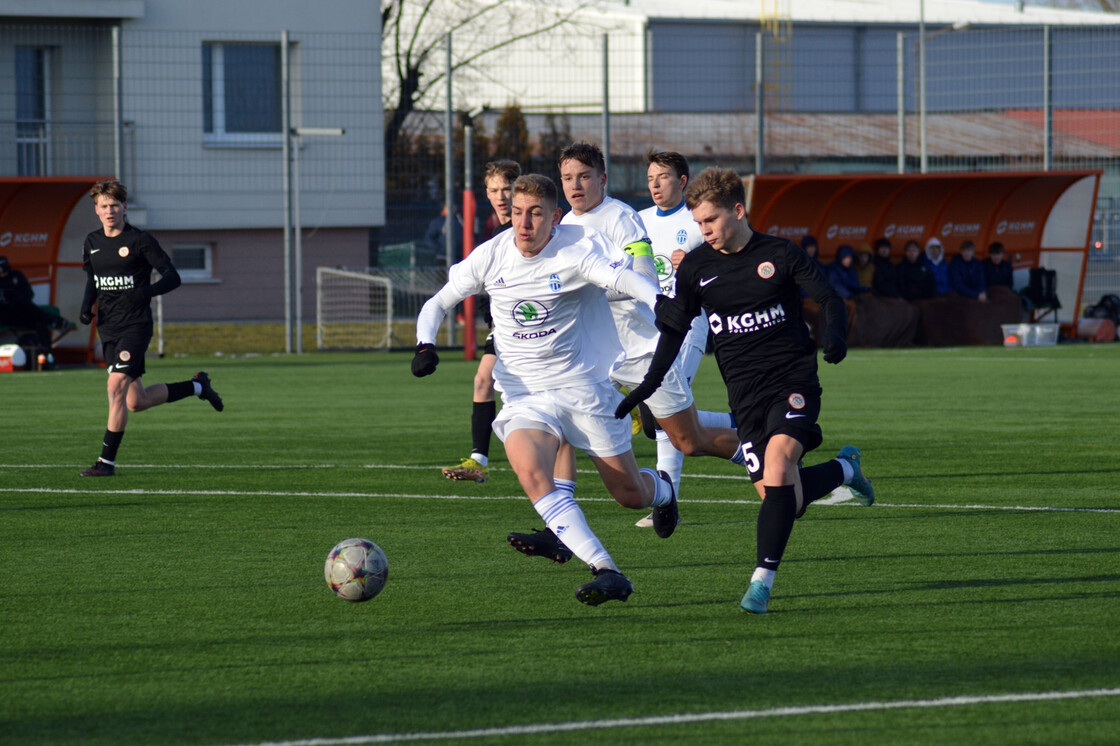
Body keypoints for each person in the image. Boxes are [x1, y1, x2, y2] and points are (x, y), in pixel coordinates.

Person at [616, 167, 874, 615]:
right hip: (746, 397)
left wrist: (835, 334)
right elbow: (674, 331)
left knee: (777, 465)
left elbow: (828, 297)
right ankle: (844, 470)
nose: (704, 231)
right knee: (784, 501)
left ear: (738, 210)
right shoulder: (698, 267)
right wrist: (648, 387)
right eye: (698, 223)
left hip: (793, 382)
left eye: (710, 221)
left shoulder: (779, 253)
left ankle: (761, 583)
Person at [412, 173, 678, 606]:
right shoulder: (493, 255)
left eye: (535, 213)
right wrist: (425, 344)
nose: (524, 223)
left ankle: (663, 491)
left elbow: (626, 280)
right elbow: (438, 301)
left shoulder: (576, 248)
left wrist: (660, 302)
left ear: (555, 217)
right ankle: (608, 571)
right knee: (532, 472)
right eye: (517, 213)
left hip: (583, 390)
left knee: (629, 494)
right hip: (526, 396)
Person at [548, 142, 740, 522]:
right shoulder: (563, 226)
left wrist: (596, 283)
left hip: (644, 349)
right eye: (568, 178)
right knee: (560, 424)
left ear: (602, 179)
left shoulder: (621, 218)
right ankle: (558, 522)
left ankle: (764, 454)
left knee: (688, 438)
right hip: (596, 355)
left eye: (584, 177)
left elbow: (645, 277)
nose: (576, 185)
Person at [77, 179, 223, 477]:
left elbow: (173, 277)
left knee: (114, 387)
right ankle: (198, 386)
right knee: (134, 402)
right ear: (96, 209)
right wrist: (85, 305)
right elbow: (93, 279)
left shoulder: (140, 241)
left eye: (115, 206)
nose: (109, 211)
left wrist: (145, 293)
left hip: (135, 325)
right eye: (103, 206)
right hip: (109, 327)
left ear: (125, 207)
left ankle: (106, 462)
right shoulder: (92, 242)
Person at [634, 149, 738, 525]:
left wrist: (695, 261)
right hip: (646, 330)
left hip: (689, 325)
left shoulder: (696, 221)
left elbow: (728, 259)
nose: (654, 184)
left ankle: (667, 504)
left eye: (662, 177)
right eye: (649, 178)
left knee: (663, 414)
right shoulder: (637, 221)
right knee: (658, 418)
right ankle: (742, 423)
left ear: (681, 182)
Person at [441, 159, 521, 483]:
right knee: (482, 381)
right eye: (494, 190)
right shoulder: (495, 234)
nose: (501, 196)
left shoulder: (525, 229)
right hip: (503, 328)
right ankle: (478, 460)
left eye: (507, 188)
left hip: (532, 327)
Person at [0, 255, 67, 359]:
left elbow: (28, 294)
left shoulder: (16, 275)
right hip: (6, 315)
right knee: (26, 307)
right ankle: (54, 320)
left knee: (38, 321)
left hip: (22, 313)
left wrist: (15, 295)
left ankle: (47, 355)